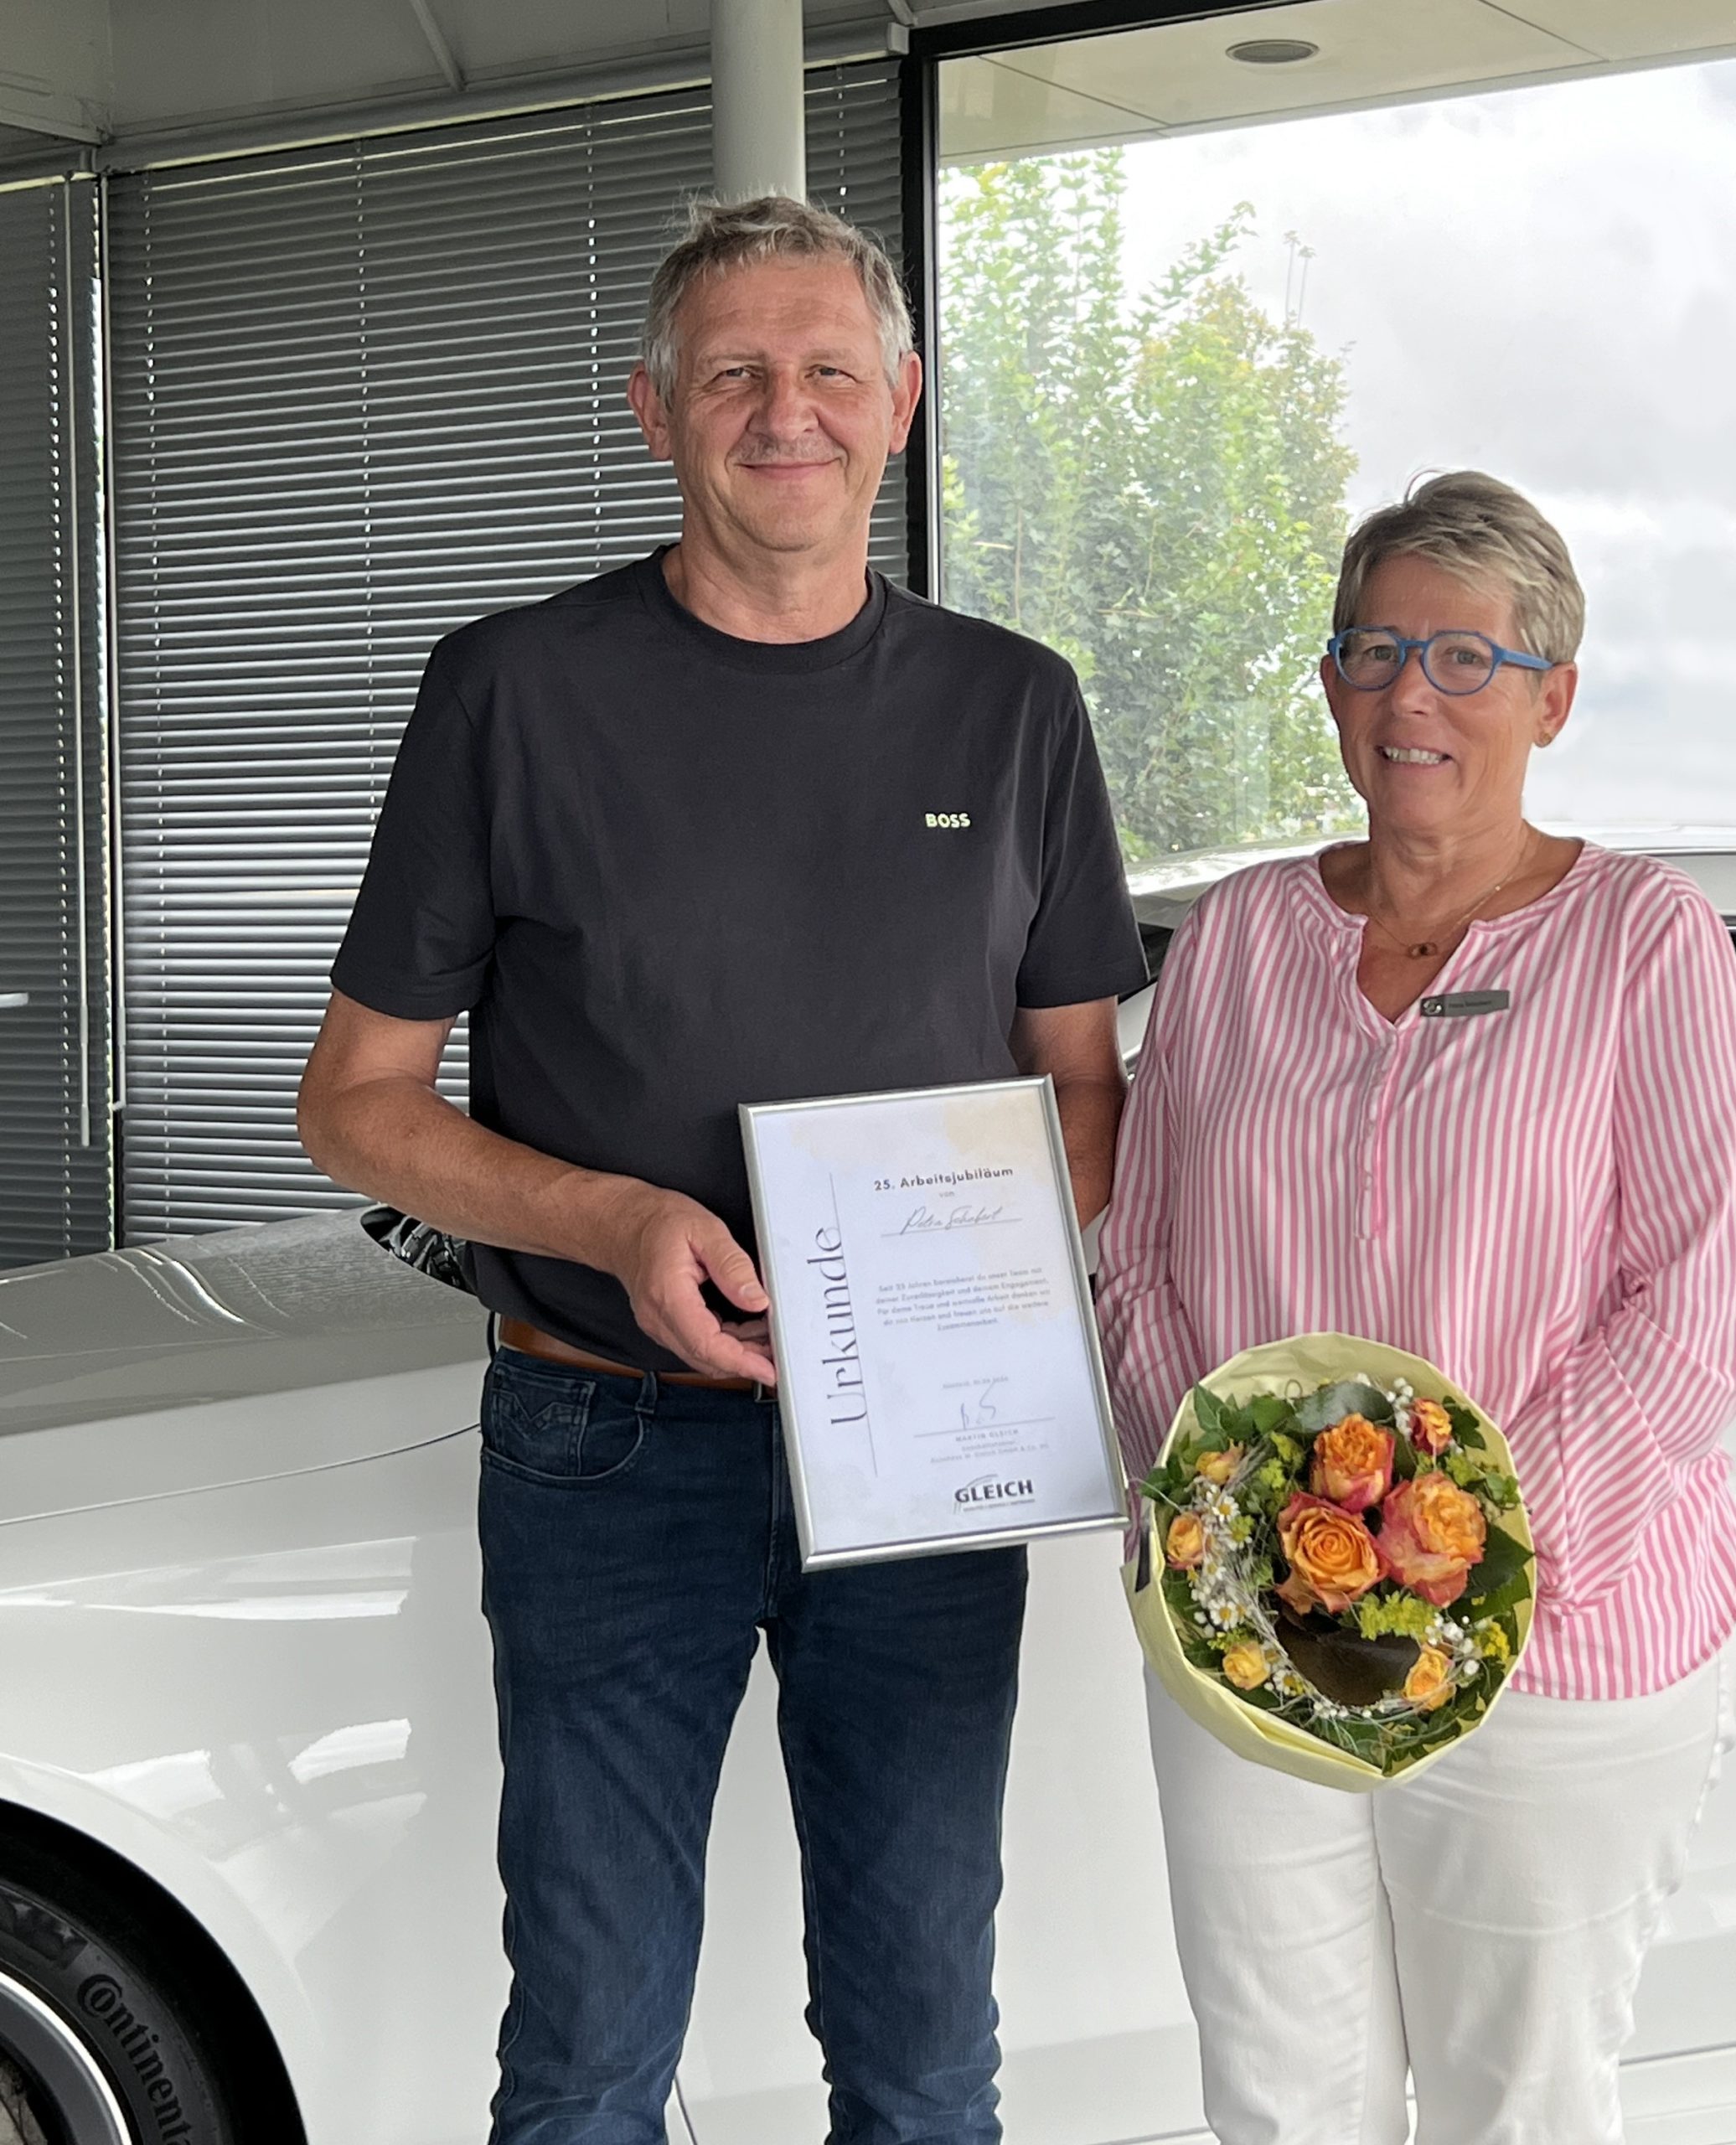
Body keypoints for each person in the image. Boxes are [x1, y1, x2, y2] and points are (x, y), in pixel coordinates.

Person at [296, 194, 1146, 2145]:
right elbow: (355, 1100)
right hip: (606, 1435)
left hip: (922, 1458)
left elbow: (1081, 1096)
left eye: (831, 369)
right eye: (735, 373)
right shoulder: (512, 691)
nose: (787, 411)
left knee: (924, 2048)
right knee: (589, 2051)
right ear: (652, 407)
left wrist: (949, 1299)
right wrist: (612, 1217)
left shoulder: (1013, 705)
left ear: (901, 402)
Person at [1096, 470, 1736, 2145]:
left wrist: (1455, 1554)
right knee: (1279, 2104)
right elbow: (1141, 1259)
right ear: (1331, 682)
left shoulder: (1642, 940)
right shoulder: (1238, 939)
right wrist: (1238, 1523)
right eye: (1376, 650)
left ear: (1553, 695)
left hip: (1553, 1646)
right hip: (1258, 1622)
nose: (1413, 695)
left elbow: (1701, 1305)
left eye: (1466, 657)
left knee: (1514, 2107)